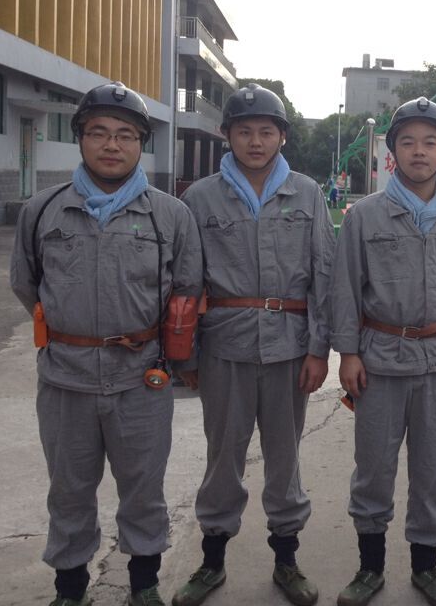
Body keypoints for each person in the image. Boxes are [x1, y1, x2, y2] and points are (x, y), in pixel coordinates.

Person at [10, 82, 203, 606]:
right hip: (64, 380)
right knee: (69, 490)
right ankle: (71, 590)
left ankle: (144, 585)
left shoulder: (170, 216)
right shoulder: (42, 211)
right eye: (98, 132)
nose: (112, 145)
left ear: (142, 143)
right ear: (80, 138)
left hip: (141, 379)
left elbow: (187, 290)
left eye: (125, 135)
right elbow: (26, 284)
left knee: (143, 490)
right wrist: (72, 333)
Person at [171, 84, 334, 606]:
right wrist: (186, 355)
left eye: (266, 131)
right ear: (227, 135)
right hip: (225, 350)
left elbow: (324, 275)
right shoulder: (200, 198)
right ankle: (211, 562)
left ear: (282, 137)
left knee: (285, 459)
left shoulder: (307, 194)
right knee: (223, 459)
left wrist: (319, 350)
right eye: (245, 131)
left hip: (290, 350)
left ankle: (287, 560)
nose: (256, 141)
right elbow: (186, 282)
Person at [330, 96, 436, 606]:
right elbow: (345, 289)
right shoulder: (365, 216)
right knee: (374, 468)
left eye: (430, 142)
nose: (419, 151)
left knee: (430, 471)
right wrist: (348, 354)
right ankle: (369, 568)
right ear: (392, 151)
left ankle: (426, 567)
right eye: (408, 142)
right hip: (380, 359)